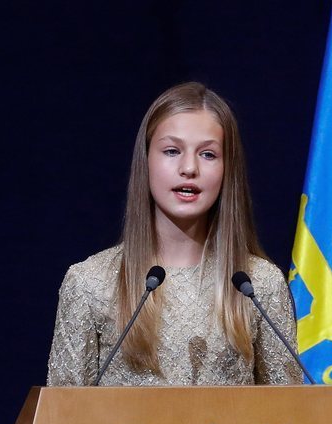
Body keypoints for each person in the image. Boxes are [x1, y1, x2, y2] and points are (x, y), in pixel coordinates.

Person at [47, 82, 302, 387]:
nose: (189, 167)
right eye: (172, 151)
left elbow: (289, 423)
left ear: (227, 170)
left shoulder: (259, 285)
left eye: (208, 154)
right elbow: (62, 422)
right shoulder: (90, 283)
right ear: (146, 161)